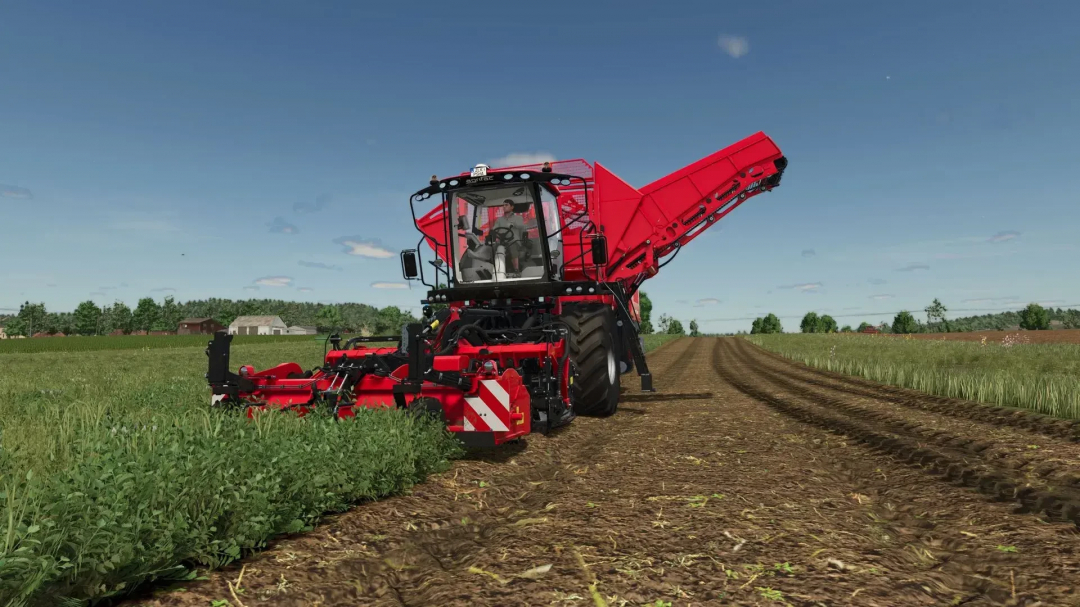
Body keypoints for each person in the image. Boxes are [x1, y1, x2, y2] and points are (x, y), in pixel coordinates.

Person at [491, 199, 527, 273]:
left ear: (512, 207)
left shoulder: (518, 218)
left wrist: (513, 224)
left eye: (506, 205)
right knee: (491, 247)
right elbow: (494, 229)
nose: (504, 207)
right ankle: (493, 269)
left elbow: (522, 226)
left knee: (512, 246)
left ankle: (516, 270)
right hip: (502, 242)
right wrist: (492, 231)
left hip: (514, 241)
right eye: (503, 205)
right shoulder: (499, 220)